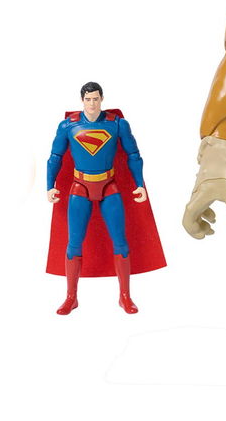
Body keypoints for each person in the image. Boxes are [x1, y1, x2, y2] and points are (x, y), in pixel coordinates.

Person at [47, 82, 149, 315]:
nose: (92, 104)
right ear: (81, 100)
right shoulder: (68, 125)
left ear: (102, 99)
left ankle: (125, 296)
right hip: (79, 187)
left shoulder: (117, 124)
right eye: (88, 99)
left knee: (120, 241)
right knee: (74, 243)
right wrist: (49, 186)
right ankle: (71, 297)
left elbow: (134, 155)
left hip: (109, 186)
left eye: (95, 99)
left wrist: (139, 184)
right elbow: (55, 156)